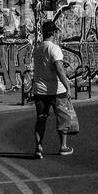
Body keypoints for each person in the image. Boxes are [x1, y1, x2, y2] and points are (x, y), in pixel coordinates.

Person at [31, 20, 73, 159]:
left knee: (41, 119)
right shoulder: (55, 48)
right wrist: (68, 86)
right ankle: (63, 146)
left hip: (40, 90)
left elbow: (45, 65)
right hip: (57, 90)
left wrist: (59, 63)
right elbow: (59, 70)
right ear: (54, 33)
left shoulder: (37, 48)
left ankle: (39, 147)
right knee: (62, 118)